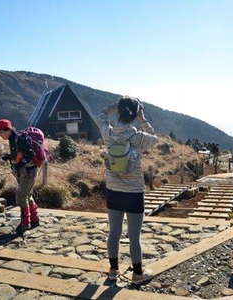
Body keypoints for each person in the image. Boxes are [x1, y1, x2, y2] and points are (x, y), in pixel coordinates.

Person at [96, 96, 158, 285]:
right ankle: (138, 274)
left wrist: (113, 107)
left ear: (120, 112)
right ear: (134, 114)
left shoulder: (108, 133)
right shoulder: (137, 136)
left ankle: (113, 270)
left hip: (113, 191)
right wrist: (143, 118)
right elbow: (154, 138)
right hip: (134, 193)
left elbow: (100, 115)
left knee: (114, 233)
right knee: (134, 237)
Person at [0, 119, 40, 235]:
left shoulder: (19, 139)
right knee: (27, 195)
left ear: (7, 130)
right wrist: (9, 157)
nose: (0, 135)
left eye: (0, 132)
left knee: (20, 196)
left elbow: (30, 155)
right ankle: (34, 220)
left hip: (28, 171)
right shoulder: (13, 138)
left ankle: (25, 224)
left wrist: (19, 162)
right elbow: (19, 154)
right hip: (24, 172)